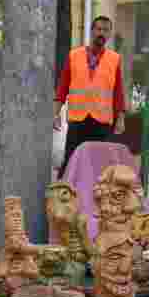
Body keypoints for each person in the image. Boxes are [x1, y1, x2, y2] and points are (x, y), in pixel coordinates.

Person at [54, 15, 127, 179]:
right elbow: (63, 87)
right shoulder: (74, 55)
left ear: (109, 34)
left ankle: (93, 199)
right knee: (71, 160)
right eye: (99, 29)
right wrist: (55, 113)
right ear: (92, 31)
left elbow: (118, 92)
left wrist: (120, 119)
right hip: (78, 119)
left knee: (99, 164)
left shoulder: (114, 59)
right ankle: (62, 194)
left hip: (101, 121)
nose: (101, 33)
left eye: (106, 30)